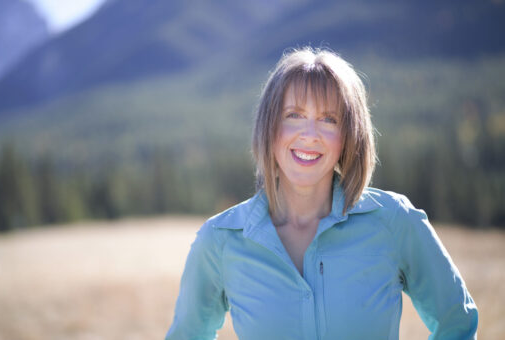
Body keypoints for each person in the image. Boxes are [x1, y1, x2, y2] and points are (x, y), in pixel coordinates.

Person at [165, 47, 478, 339]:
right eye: (295, 115)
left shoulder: (395, 221)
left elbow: (457, 323)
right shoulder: (219, 241)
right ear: (269, 126)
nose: (310, 135)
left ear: (349, 136)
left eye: (329, 120)